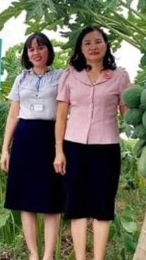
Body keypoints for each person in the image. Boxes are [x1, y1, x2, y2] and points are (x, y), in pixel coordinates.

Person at [53, 26, 131, 260]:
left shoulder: (120, 76)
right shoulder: (70, 75)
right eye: (87, 43)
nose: (93, 47)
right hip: (73, 146)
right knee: (76, 206)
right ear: (80, 48)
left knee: (102, 207)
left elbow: (127, 114)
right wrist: (59, 151)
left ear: (106, 45)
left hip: (106, 147)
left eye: (98, 41)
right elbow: (61, 116)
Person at [0, 33, 64, 260]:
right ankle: (33, 254)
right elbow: (13, 115)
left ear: (48, 50)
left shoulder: (61, 77)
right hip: (25, 138)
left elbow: (66, 112)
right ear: (27, 54)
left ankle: (48, 255)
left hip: (51, 137)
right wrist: (5, 149)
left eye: (40, 48)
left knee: (51, 201)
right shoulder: (21, 79)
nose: (35, 53)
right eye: (31, 49)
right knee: (26, 200)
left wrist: (61, 150)